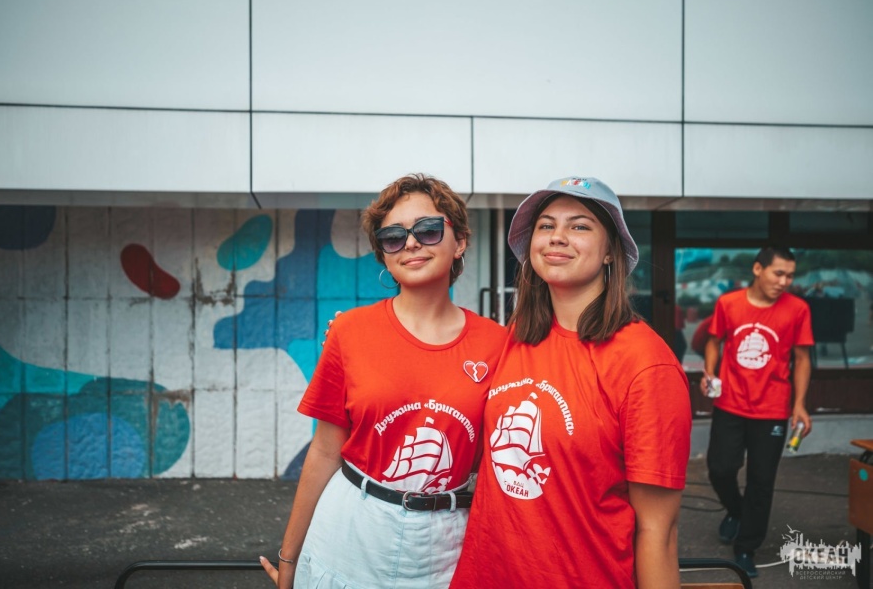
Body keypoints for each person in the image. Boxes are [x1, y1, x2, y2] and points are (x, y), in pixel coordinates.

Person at [260, 173, 506, 588]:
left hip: (447, 543)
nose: (411, 243)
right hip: (350, 531)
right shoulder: (349, 332)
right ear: (384, 254)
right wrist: (289, 560)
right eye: (393, 237)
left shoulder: (499, 344)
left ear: (460, 241)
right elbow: (324, 451)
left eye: (428, 230)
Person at [450, 176, 692, 588]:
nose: (557, 236)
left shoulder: (646, 364)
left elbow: (659, 532)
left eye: (579, 226)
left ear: (611, 251)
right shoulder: (514, 339)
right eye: (546, 225)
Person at [700, 246, 813, 578]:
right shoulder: (728, 303)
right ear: (758, 269)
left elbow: (802, 359)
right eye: (778, 273)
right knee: (720, 469)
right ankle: (737, 511)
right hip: (730, 402)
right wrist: (710, 373)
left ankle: (746, 548)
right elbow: (713, 341)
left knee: (761, 481)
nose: (784, 281)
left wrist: (799, 404)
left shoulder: (798, 309)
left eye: (790, 275)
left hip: (773, 407)